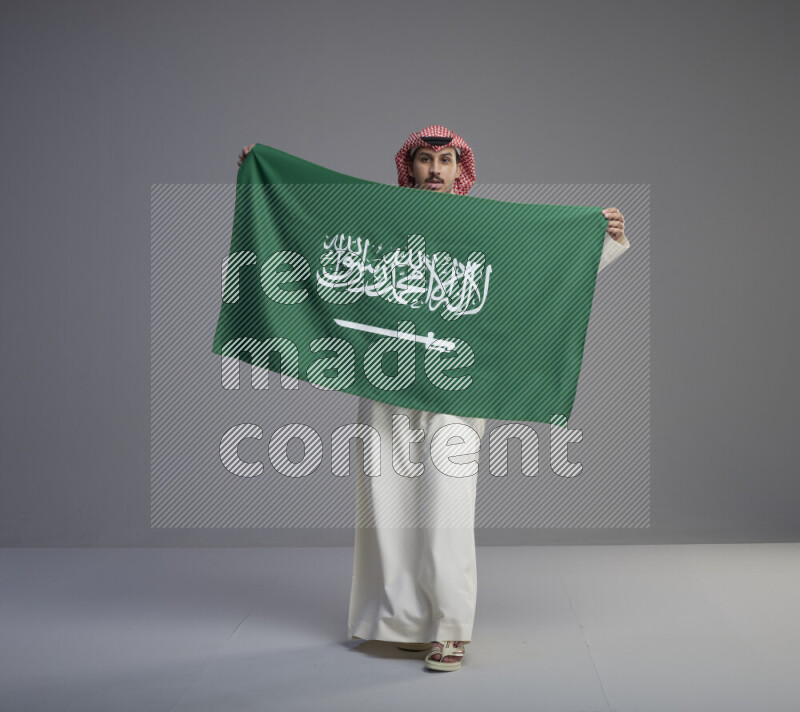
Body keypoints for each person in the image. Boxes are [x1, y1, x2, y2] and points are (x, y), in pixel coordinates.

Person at [237, 127, 630, 671]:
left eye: (446, 159)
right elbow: (313, 230)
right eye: (426, 159)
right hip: (386, 380)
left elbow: (540, 269)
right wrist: (263, 179)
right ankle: (402, 621)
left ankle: (450, 628)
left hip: (456, 388)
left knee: (445, 503)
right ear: (411, 168)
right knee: (386, 498)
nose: (436, 170)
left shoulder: (486, 228)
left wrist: (599, 239)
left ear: (459, 168)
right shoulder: (382, 224)